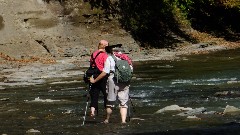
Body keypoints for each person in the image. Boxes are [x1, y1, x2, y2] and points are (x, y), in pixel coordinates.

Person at [103, 45, 133, 124]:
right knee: (123, 102)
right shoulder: (127, 58)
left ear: (113, 51)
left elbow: (106, 71)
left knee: (110, 101)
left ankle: (107, 119)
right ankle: (123, 121)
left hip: (113, 80)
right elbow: (131, 70)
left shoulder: (109, 58)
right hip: (125, 81)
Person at [89, 40, 110, 117]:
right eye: (107, 45)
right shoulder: (105, 55)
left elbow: (91, 64)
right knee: (106, 95)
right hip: (103, 76)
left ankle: (92, 111)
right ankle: (106, 112)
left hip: (94, 75)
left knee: (94, 95)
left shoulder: (94, 54)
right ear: (104, 46)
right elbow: (106, 67)